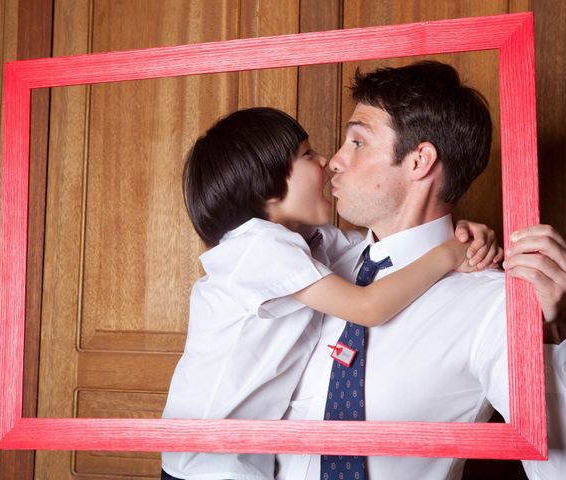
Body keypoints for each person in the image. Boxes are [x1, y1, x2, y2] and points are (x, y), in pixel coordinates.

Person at [160, 107, 501, 480]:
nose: (327, 160)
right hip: (205, 464)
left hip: (241, 462)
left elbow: (388, 250)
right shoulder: (257, 247)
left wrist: (463, 235)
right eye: (307, 154)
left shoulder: (308, 243)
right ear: (267, 188)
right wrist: (449, 253)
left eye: (355, 143)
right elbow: (368, 307)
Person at [276, 61, 566, 480]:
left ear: (419, 161)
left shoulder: (495, 305)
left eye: (357, 142)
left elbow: (556, 466)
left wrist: (553, 339)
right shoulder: (310, 267)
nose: (334, 162)